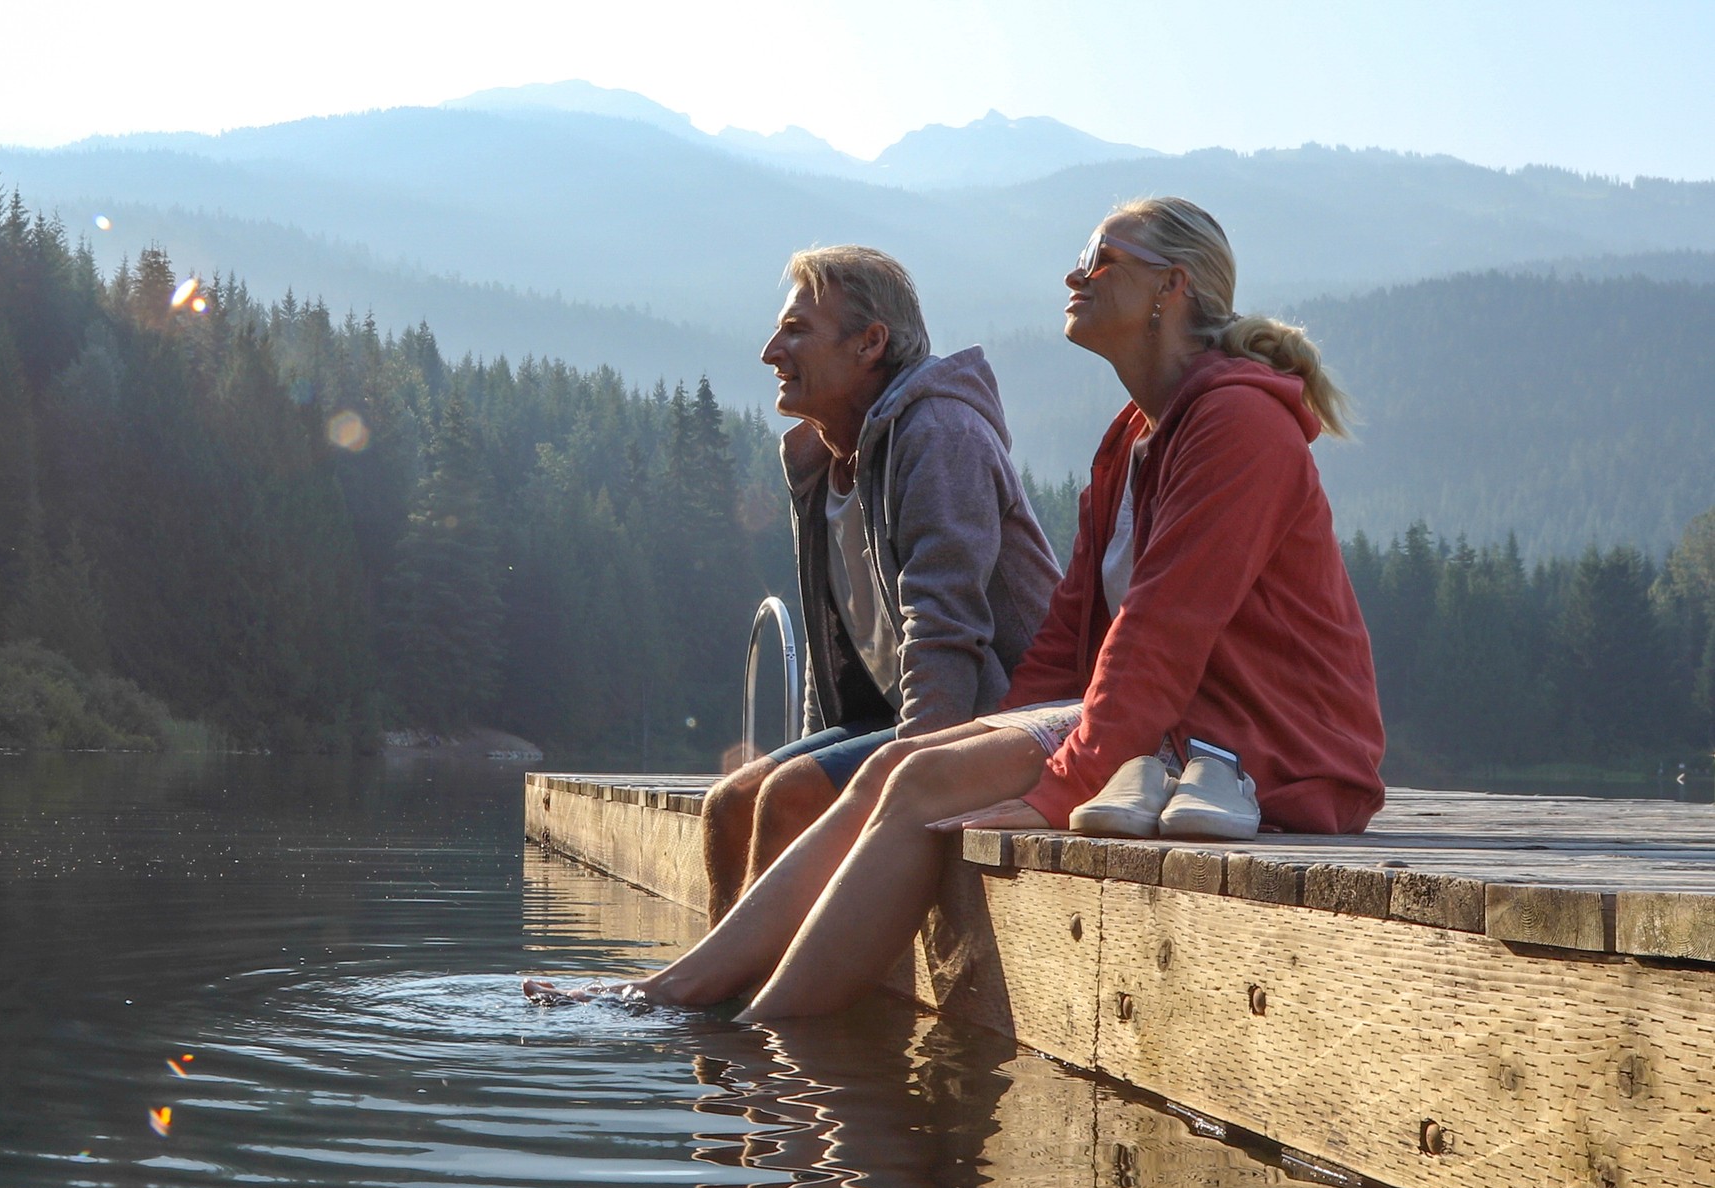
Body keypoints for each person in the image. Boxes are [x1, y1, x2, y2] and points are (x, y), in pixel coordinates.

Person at [530, 198, 1385, 1020]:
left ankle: (755, 1037)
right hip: (1166, 730)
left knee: (920, 774)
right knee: (904, 766)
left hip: (1267, 747)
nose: (1073, 274)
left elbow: (1161, 633)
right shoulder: (1134, 438)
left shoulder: (1239, 425)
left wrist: (1056, 786)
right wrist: (989, 740)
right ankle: (692, 994)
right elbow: (1066, 634)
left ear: (1173, 289)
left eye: (1100, 259)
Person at [697, 245, 1060, 927]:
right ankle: (710, 1003)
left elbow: (945, 628)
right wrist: (827, 751)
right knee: (730, 805)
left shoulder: (940, 434)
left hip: (1004, 722)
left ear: (870, 343)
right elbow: (836, 647)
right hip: (898, 718)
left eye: (797, 329)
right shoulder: (821, 458)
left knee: (791, 796)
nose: (771, 351)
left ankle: (740, 1003)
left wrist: (912, 784)